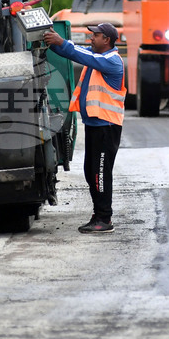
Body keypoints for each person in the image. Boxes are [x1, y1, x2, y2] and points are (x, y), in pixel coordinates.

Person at [43, 22, 126, 234]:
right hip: (94, 125)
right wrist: (54, 42)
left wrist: (62, 42)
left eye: (95, 35)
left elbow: (83, 55)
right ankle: (98, 214)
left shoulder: (111, 61)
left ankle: (104, 218)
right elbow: (76, 51)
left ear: (106, 40)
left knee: (99, 173)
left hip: (106, 126)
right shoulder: (97, 55)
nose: (91, 38)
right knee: (91, 173)